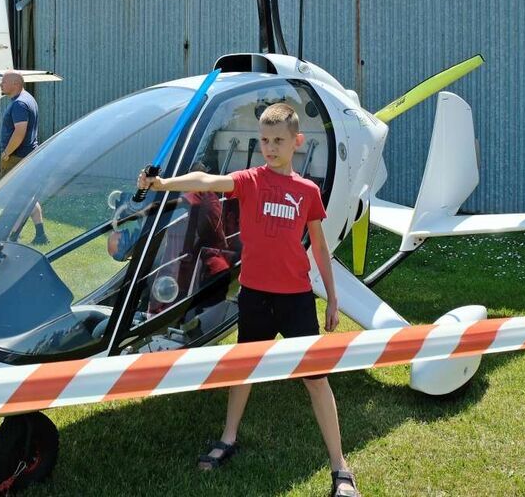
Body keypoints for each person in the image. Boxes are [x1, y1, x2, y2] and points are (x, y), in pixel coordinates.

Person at [138, 102, 359, 497]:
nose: (270, 147)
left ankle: (340, 465)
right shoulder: (249, 180)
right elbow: (205, 181)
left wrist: (333, 298)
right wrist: (163, 184)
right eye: (265, 140)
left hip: (296, 300)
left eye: (278, 140)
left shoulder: (307, 191)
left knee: (316, 380)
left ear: (297, 142)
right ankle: (228, 438)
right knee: (244, 370)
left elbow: (320, 248)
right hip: (255, 296)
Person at [0, 71, 47, 246]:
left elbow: (20, 132)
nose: (0, 85)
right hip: (28, 156)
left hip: (17, 158)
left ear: (14, 83)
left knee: (15, 200)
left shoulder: (19, 103)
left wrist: (7, 153)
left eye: (3, 82)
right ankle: (40, 234)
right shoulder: (28, 99)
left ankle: (12, 236)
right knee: (28, 197)